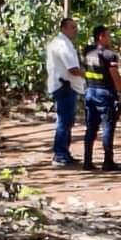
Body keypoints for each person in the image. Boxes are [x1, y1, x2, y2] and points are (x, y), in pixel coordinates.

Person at [82, 26, 121, 172]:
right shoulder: (109, 55)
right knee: (107, 127)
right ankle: (108, 161)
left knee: (91, 128)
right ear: (101, 37)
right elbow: (114, 75)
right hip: (104, 94)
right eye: (108, 35)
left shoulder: (87, 51)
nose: (110, 38)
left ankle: (87, 161)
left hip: (90, 92)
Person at [45, 17, 85, 167]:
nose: (75, 30)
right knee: (64, 121)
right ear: (63, 28)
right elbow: (72, 69)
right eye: (72, 27)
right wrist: (89, 74)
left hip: (65, 86)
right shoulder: (62, 45)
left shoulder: (63, 43)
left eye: (75, 27)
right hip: (64, 86)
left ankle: (64, 153)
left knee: (67, 121)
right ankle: (60, 154)